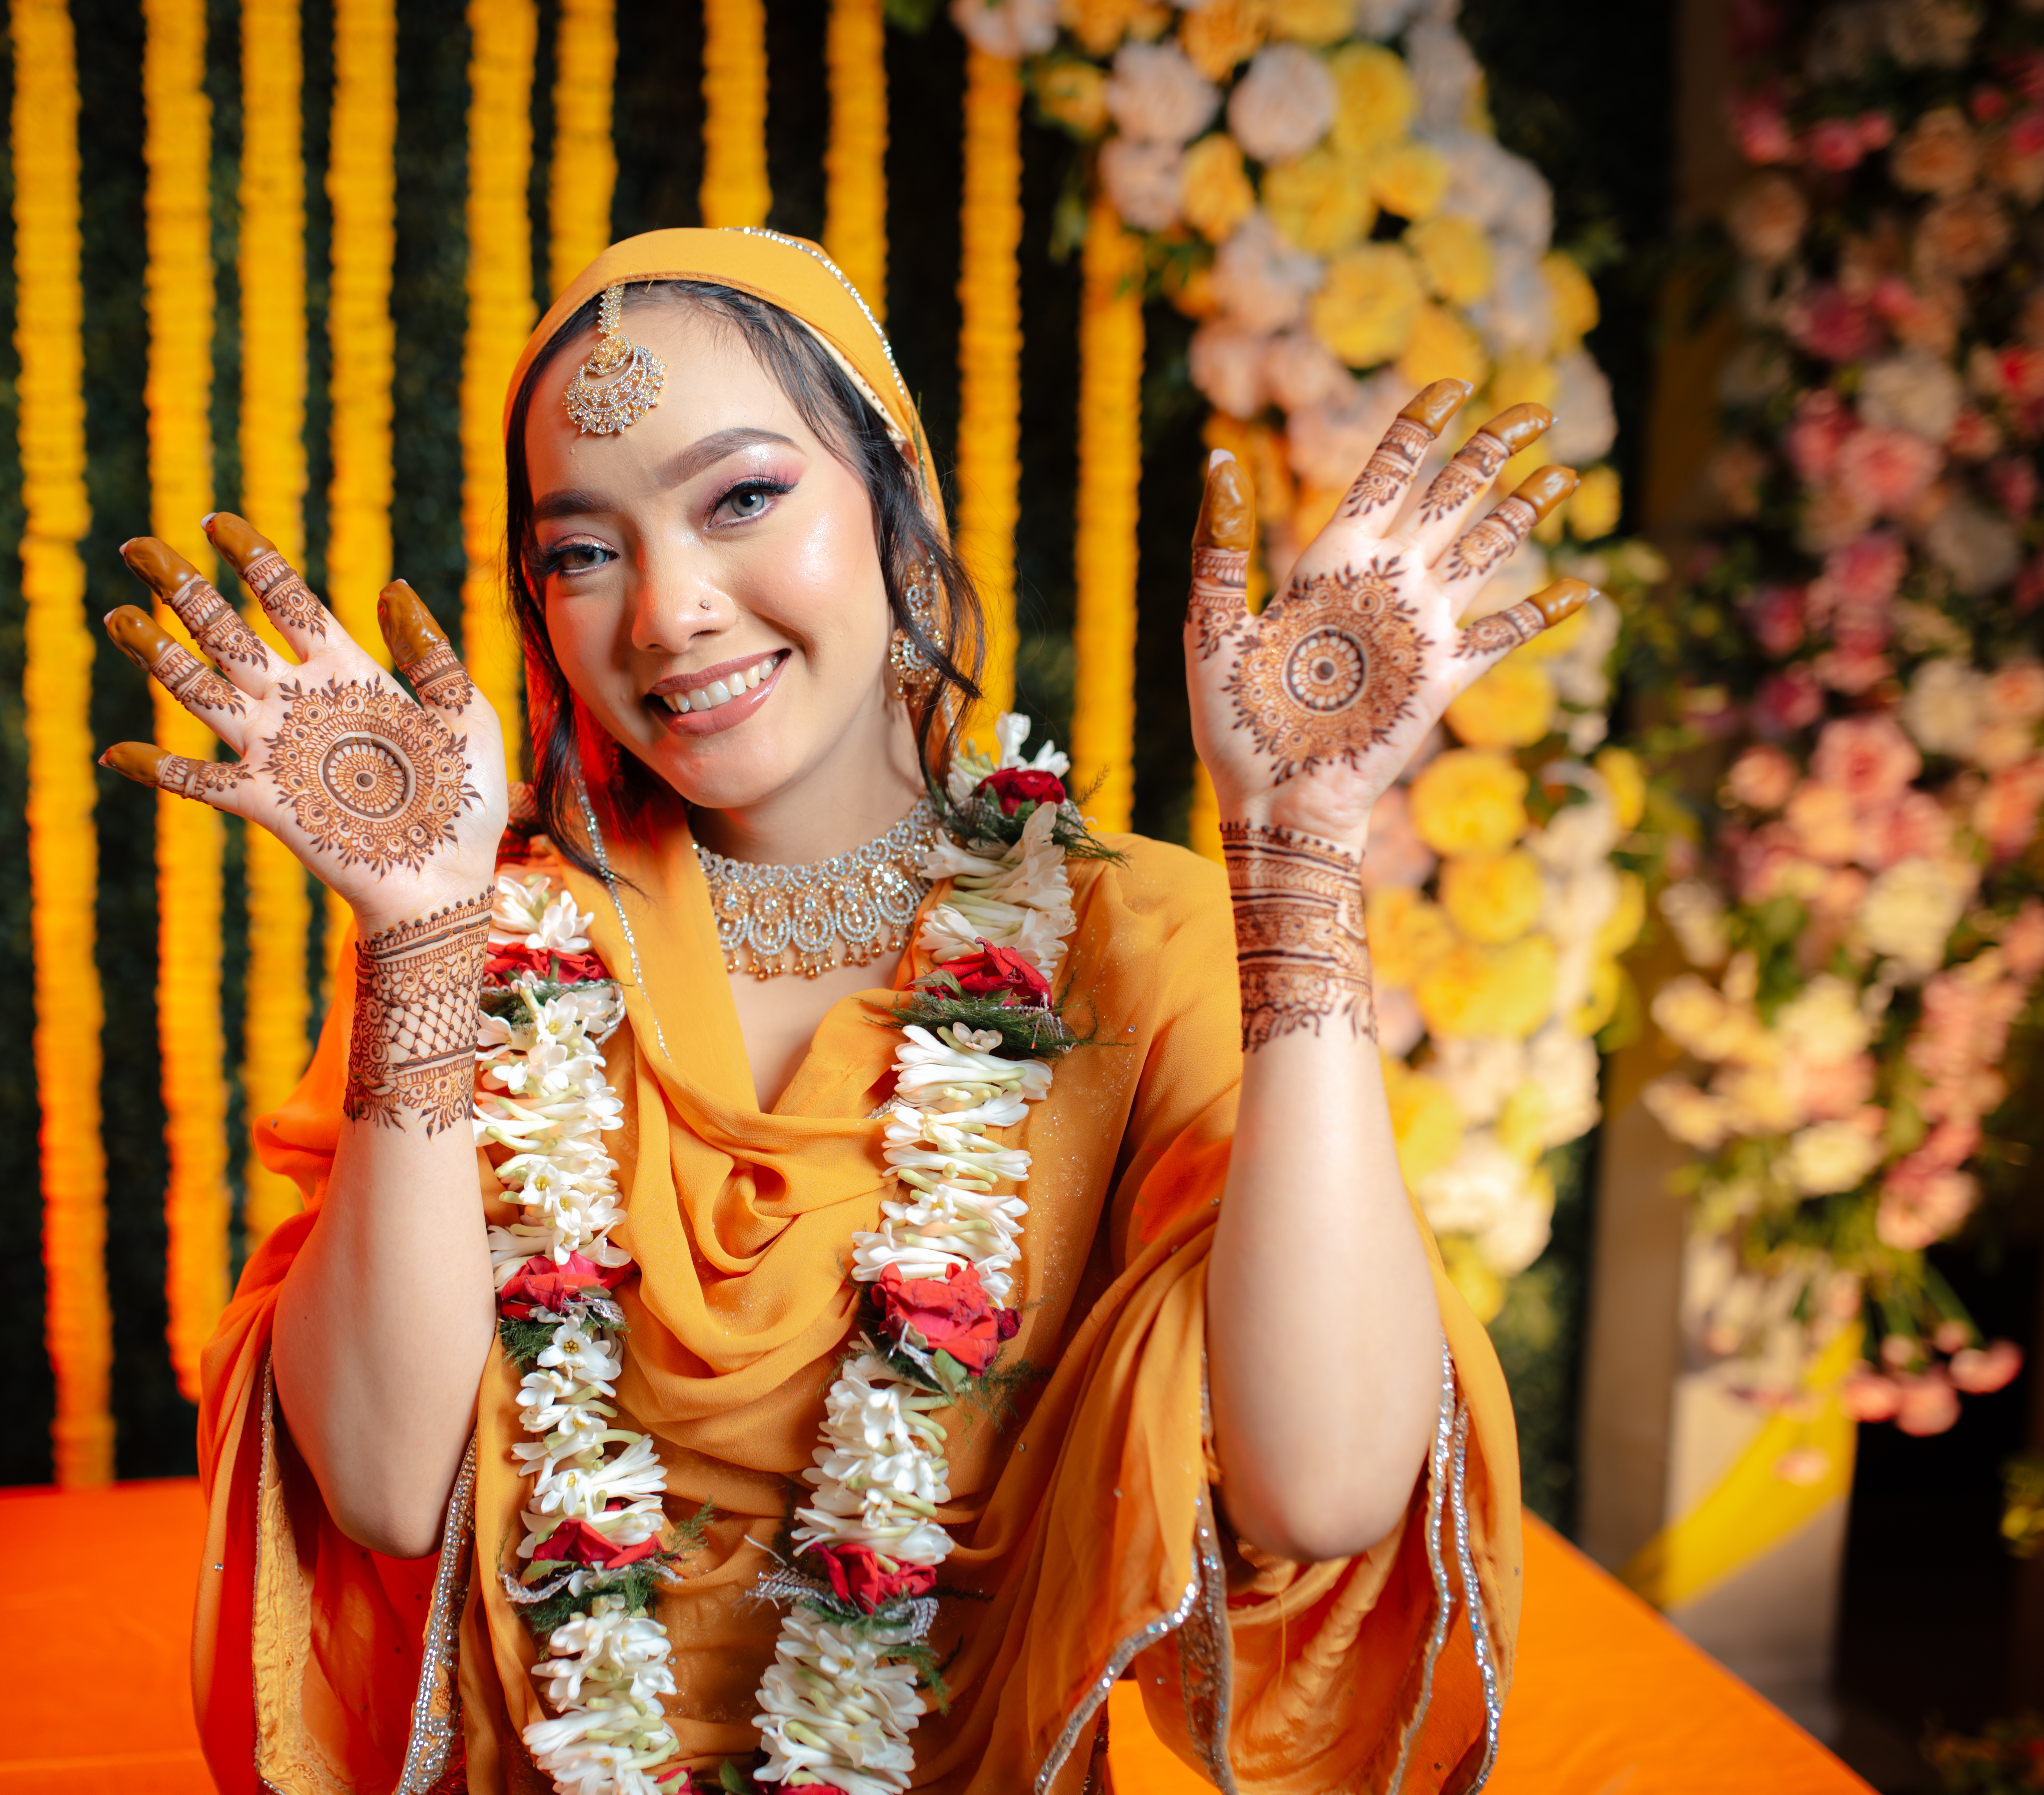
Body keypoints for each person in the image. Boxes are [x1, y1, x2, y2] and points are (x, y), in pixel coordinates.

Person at [97, 228, 1587, 1795]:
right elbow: (392, 1493)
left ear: (899, 500)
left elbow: (1331, 1489)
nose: (667, 612)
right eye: (582, 552)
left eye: (742, 498)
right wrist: (414, 930)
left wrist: (1299, 853)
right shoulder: (483, 928)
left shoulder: (1137, 945)